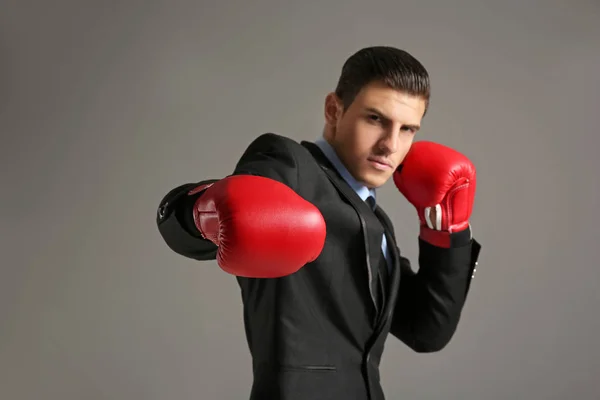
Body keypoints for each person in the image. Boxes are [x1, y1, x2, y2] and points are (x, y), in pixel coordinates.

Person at [155, 46, 482, 400]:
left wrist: (446, 228)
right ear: (334, 110)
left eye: (407, 129)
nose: (390, 145)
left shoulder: (377, 220)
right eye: (375, 119)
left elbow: (427, 330)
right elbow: (182, 223)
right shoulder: (291, 167)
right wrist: (203, 213)